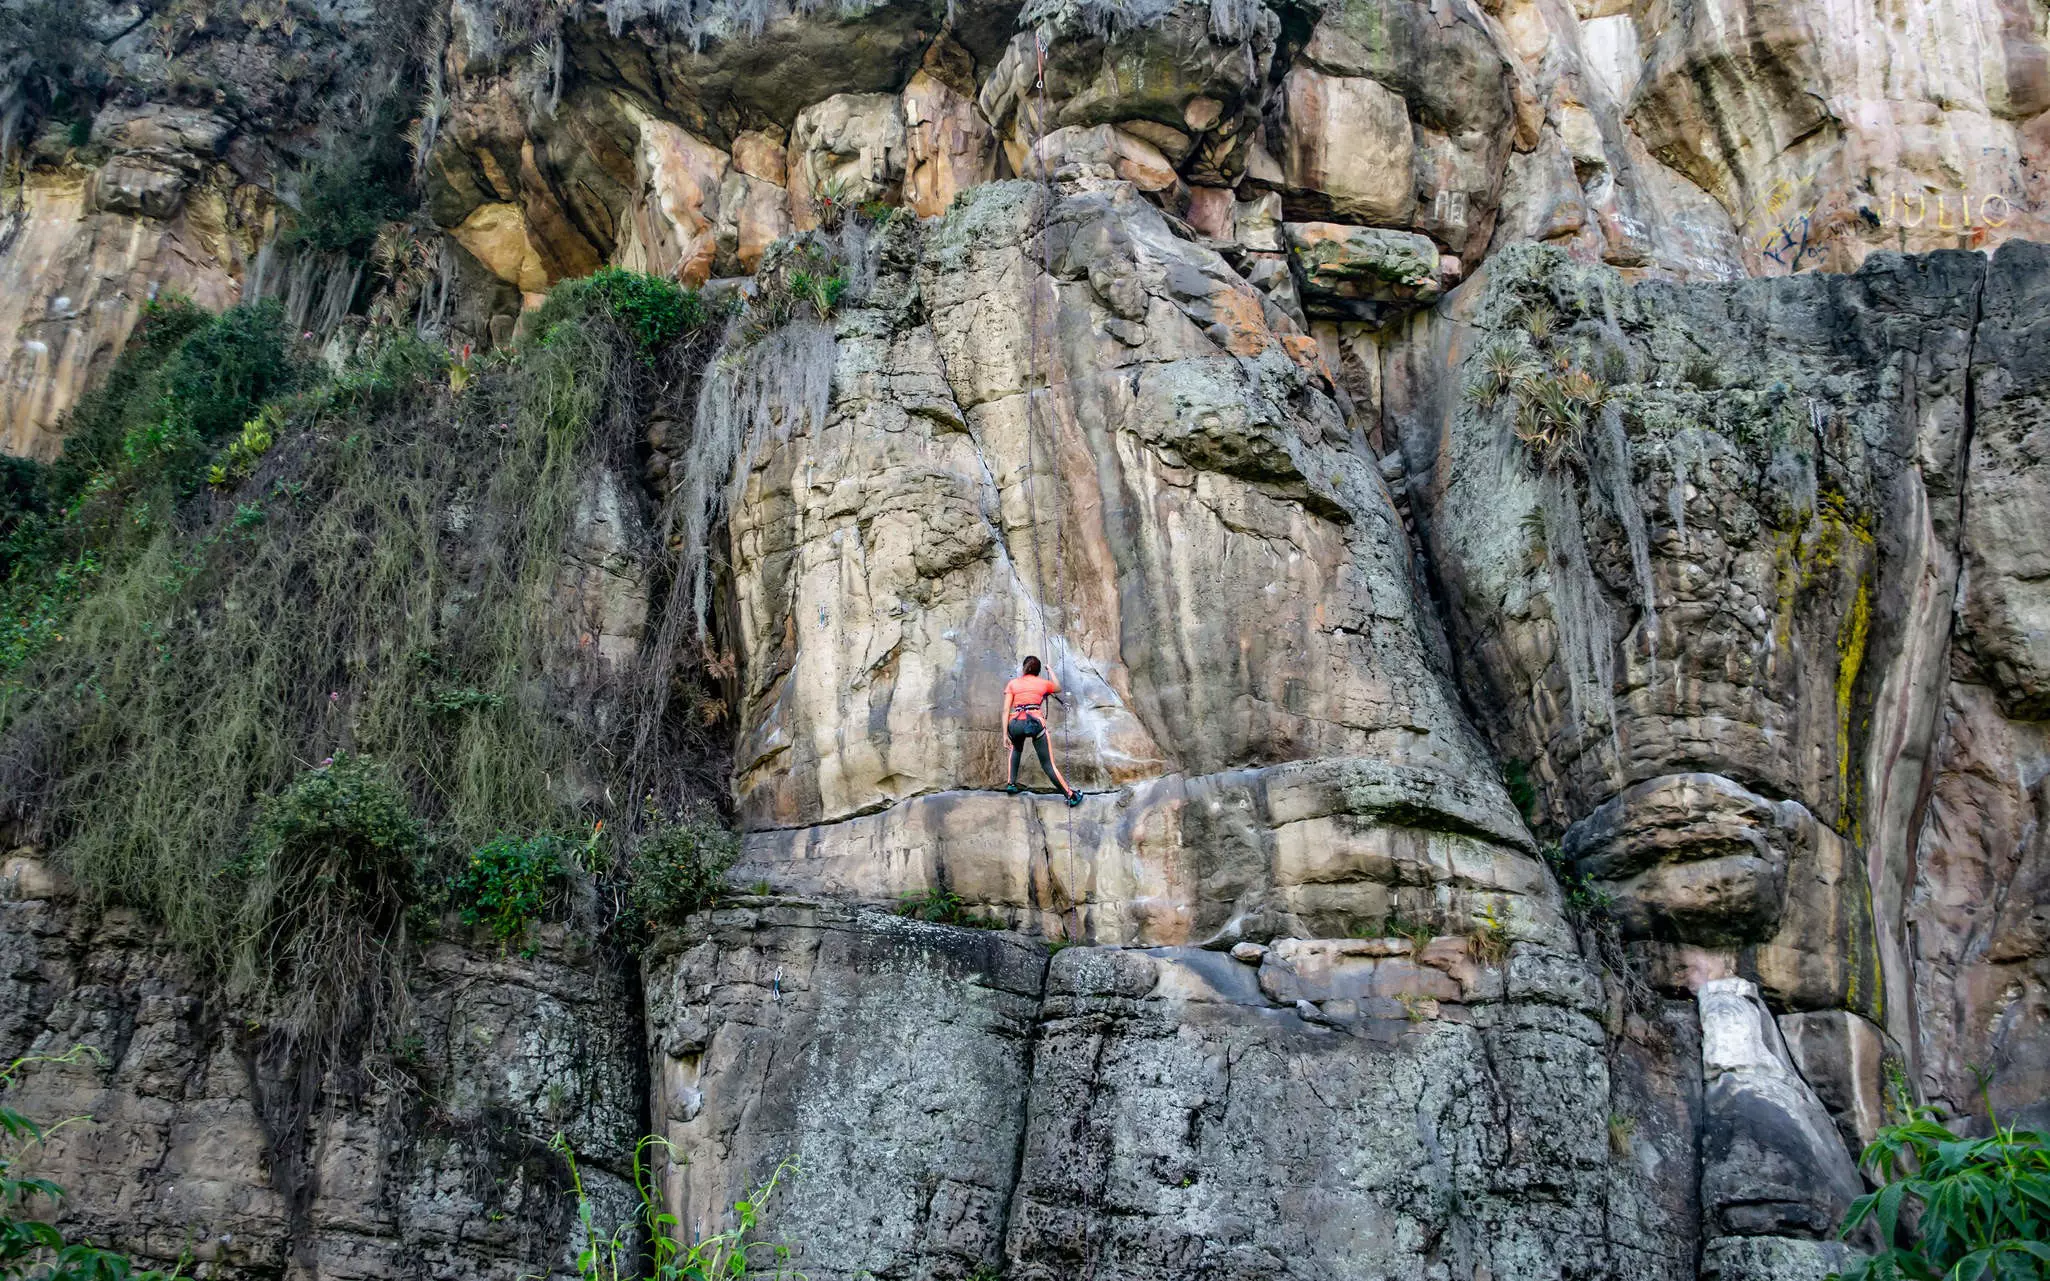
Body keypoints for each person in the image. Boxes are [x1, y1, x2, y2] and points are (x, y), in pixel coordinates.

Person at [1003, 656, 1081, 806]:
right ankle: (1071, 796)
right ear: (1038, 671)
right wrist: (1050, 670)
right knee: (1047, 764)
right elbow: (1058, 688)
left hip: (1016, 723)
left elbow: (1006, 710)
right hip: (1034, 722)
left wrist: (1004, 734)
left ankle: (1011, 784)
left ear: (1023, 668)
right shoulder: (1042, 683)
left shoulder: (1013, 684)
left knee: (1016, 748)